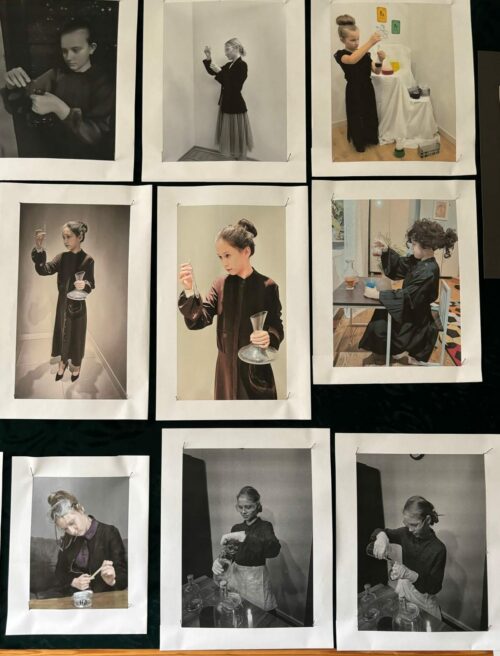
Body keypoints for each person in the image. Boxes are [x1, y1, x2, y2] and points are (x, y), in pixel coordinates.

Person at [178, 218, 284, 400]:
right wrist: (189, 289)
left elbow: (277, 326)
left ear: (246, 251)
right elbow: (199, 320)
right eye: (220, 257)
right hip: (225, 375)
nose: (224, 262)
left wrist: (269, 337)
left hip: (256, 373)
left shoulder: (268, 286)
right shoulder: (220, 285)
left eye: (227, 255)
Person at [3, 20, 115, 159]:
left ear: (91, 48)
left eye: (75, 50)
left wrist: (60, 108)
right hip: (51, 155)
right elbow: (18, 102)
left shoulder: (105, 84)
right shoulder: (56, 74)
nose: (68, 57)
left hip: (88, 162)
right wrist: (12, 85)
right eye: (64, 51)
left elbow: (97, 137)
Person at [360, 218, 458, 365]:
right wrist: (386, 250)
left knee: (380, 322)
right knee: (382, 311)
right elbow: (401, 264)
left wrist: (376, 294)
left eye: (414, 244)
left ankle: (385, 355)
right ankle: (385, 353)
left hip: (416, 323)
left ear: (426, 247)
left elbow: (407, 298)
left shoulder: (428, 272)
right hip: (416, 311)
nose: (412, 248)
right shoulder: (422, 262)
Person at [32, 221, 95, 383]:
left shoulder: (88, 260)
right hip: (63, 304)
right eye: (63, 237)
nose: (65, 241)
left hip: (79, 306)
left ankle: (76, 366)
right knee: (63, 333)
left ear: (79, 236)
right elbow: (43, 269)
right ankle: (62, 363)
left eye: (68, 237)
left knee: (77, 335)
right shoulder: (62, 257)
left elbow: (91, 284)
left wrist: (85, 285)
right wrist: (39, 248)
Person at [367, 495, 446, 619]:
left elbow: (434, 588)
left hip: (423, 598)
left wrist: (410, 575)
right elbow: (378, 531)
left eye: (414, 525)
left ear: (427, 520)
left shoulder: (438, 549)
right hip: (405, 590)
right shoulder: (405, 533)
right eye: (406, 524)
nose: (410, 529)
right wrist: (381, 536)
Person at [46, 490, 127, 597]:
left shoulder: (110, 532)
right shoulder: (68, 538)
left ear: (80, 509)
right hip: (75, 598)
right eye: (65, 528)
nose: (72, 531)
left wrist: (112, 580)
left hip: (103, 598)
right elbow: (59, 572)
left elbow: (123, 577)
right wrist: (73, 581)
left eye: (72, 523)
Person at [212, 486, 281, 611]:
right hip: (237, 577)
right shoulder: (236, 528)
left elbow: (274, 550)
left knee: (260, 615)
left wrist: (244, 537)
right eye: (240, 507)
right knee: (240, 610)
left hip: (256, 579)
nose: (243, 511)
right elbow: (230, 554)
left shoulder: (265, 526)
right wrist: (219, 561)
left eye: (248, 507)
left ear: (257, 506)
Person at [333, 15, 385, 153]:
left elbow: (377, 70)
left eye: (358, 39)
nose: (356, 43)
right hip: (353, 90)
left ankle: (371, 138)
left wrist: (380, 60)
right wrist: (370, 42)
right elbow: (352, 60)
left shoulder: (365, 54)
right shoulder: (341, 55)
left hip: (367, 88)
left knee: (369, 114)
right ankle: (359, 143)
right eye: (352, 40)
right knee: (356, 116)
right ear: (342, 40)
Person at [202, 38, 254, 160]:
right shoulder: (229, 65)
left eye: (227, 49)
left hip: (235, 106)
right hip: (226, 103)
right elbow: (213, 72)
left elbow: (235, 87)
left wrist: (220, 72)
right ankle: (233, 162)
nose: (225, 53)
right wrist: (209, 58)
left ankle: (239, 162)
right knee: (230, 135)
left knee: (236, 137)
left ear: (236, 48)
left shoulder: (242, 65)